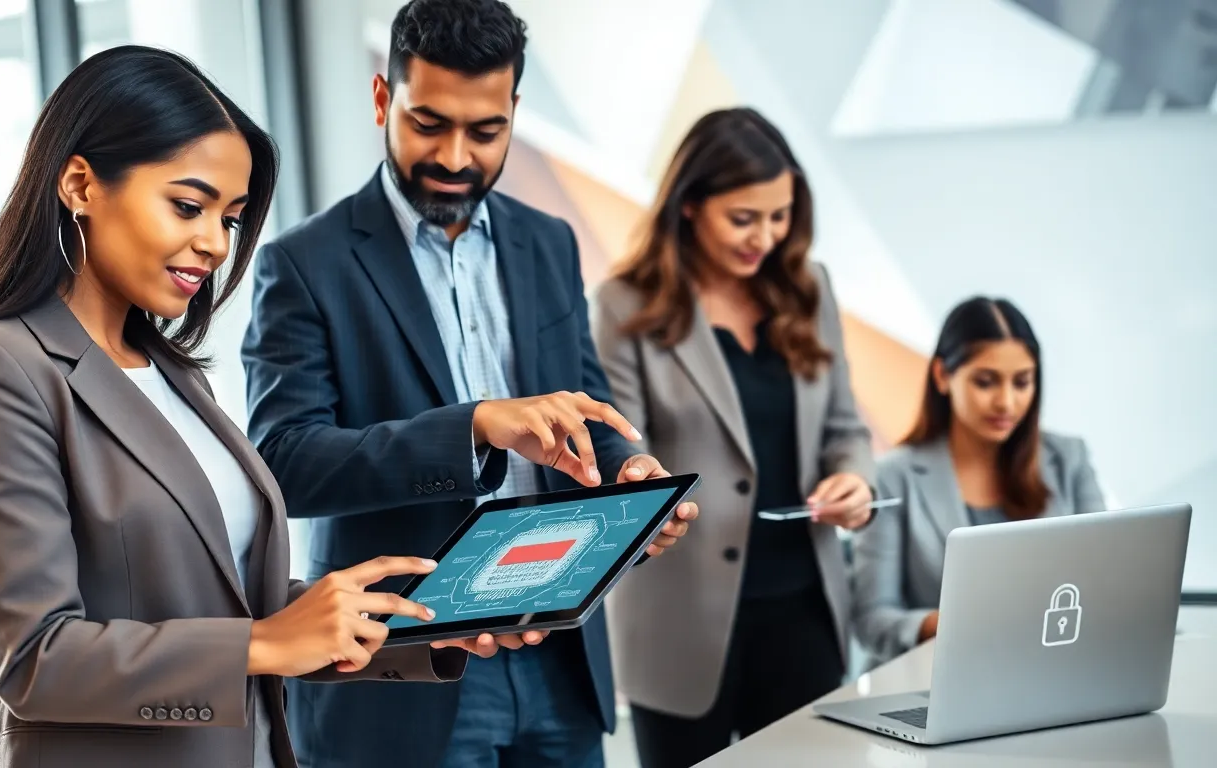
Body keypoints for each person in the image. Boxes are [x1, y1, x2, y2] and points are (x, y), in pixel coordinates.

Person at [0, 46, 463, 768]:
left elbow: (225, 603)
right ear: (79, 184)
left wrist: (412, 624)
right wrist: (268, 641)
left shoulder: (173, 374)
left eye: (230, 219)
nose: (213, 244)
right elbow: (36, 659)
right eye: (188, 205)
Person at [240, 1, 696, 766]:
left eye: (485, 132)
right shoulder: (304, 264)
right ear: (384, 99)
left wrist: (629, 480)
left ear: (514, 112)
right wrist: (474, 426)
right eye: (429, 123)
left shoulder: (548, 242)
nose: (455, 155)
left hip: (558, 649)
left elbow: (584, 406)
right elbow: (283, 463)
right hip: (404, 664)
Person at [589, 107, 876, 768]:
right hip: (678, 624)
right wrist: (636, 484)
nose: (766, 237)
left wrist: (855, 480)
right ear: (689, 205)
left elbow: (846, 429)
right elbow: (618, 449)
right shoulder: (623, 307)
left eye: (780, 217)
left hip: (805, 613)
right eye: (743, 219)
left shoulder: (809, 288)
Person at [851, 297, 1107, 667]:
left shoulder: (1068, 459)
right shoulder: (893, 476)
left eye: (1022, 382)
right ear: (942, 376)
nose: (1006, 402)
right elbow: (872, 618)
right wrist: (944, 625)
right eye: (986, 382)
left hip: (1052, 666)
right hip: (935, 676)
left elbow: (1103, 578)